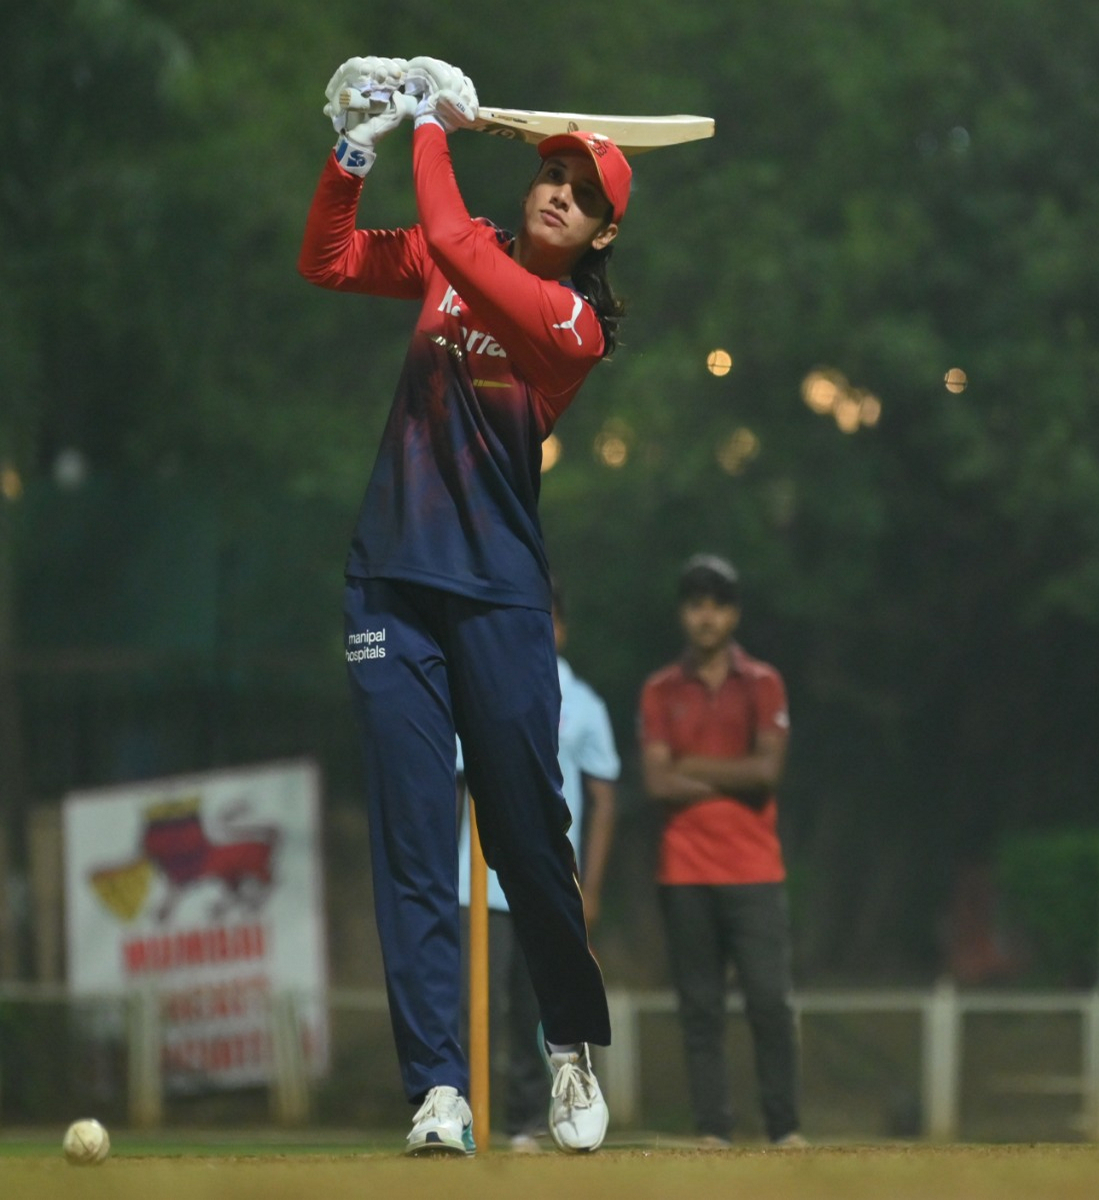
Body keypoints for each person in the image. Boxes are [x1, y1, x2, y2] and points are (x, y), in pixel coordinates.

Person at [298, 54, 632, 1156]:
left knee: (529, 840)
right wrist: (355, 151)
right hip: (389, 582)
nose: (557, 193)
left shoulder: (571, 325)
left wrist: (430, 128)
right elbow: (330, 259)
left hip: (497, 595)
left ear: (598, 237)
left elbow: (448, 241)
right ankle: (437, 1089)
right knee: (411, 847)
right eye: (551, 174)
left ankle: (572, 1047)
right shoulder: (467, 253)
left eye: (582, 196)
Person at [638, 555, 805, 1148]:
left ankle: (785, 1128)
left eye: (716, 604)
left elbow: (769, 771)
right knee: (700, 1006)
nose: (705, 617)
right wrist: (732, 775)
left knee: (768, 1000)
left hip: (753, 866)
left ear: (733, 613)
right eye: (695, 604)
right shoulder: (661, 689)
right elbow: (655, 784)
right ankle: (713, 1129)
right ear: (684, 614)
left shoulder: (763, 682)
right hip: (684, 868)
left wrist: (692, 767)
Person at [456, 583, 619, 1152]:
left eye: (548, 620)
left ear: (562, 629)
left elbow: (603, 798)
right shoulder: (482, 689)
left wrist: (590, 886)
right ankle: (460, 1111)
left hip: (547, 877)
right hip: (478, 878)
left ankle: (526, 1121)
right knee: (474, 1002)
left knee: (535, 1004)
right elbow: (462, 786)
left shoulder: (586, 706)